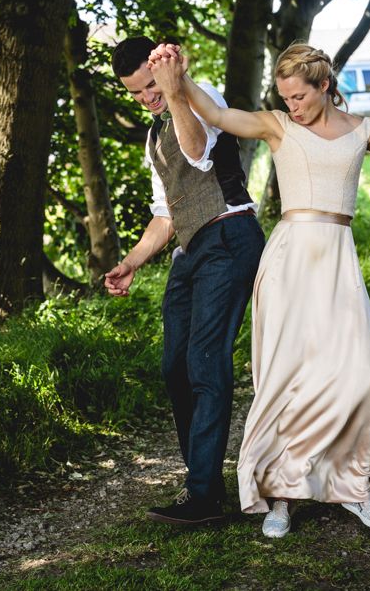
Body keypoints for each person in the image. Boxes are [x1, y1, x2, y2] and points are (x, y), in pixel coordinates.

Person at [149, 41, 370, 538]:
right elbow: (215, 113)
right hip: (289, 257)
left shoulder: (365, 130)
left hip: (338, 258)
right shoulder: (278, 126)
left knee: (361, 371)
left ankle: (354, 486)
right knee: (285, 380)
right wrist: (178, 78)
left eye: (299, 96)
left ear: (324, 86)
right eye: (284, 96)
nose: (291, 104)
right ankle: (280, 496)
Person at [105, 36, 265, 525]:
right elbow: (165, 214)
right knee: (175, 366)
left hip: (231, 235)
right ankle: (203, 482)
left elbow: (196, 151)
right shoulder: (153, 137)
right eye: (136, 93)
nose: (148, 98)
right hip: (190, 250)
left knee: (203, 359)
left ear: (168, 72)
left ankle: (203, 496)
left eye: (152, 86)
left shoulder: (200, 95)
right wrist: (131, 261)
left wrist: (176, 89)